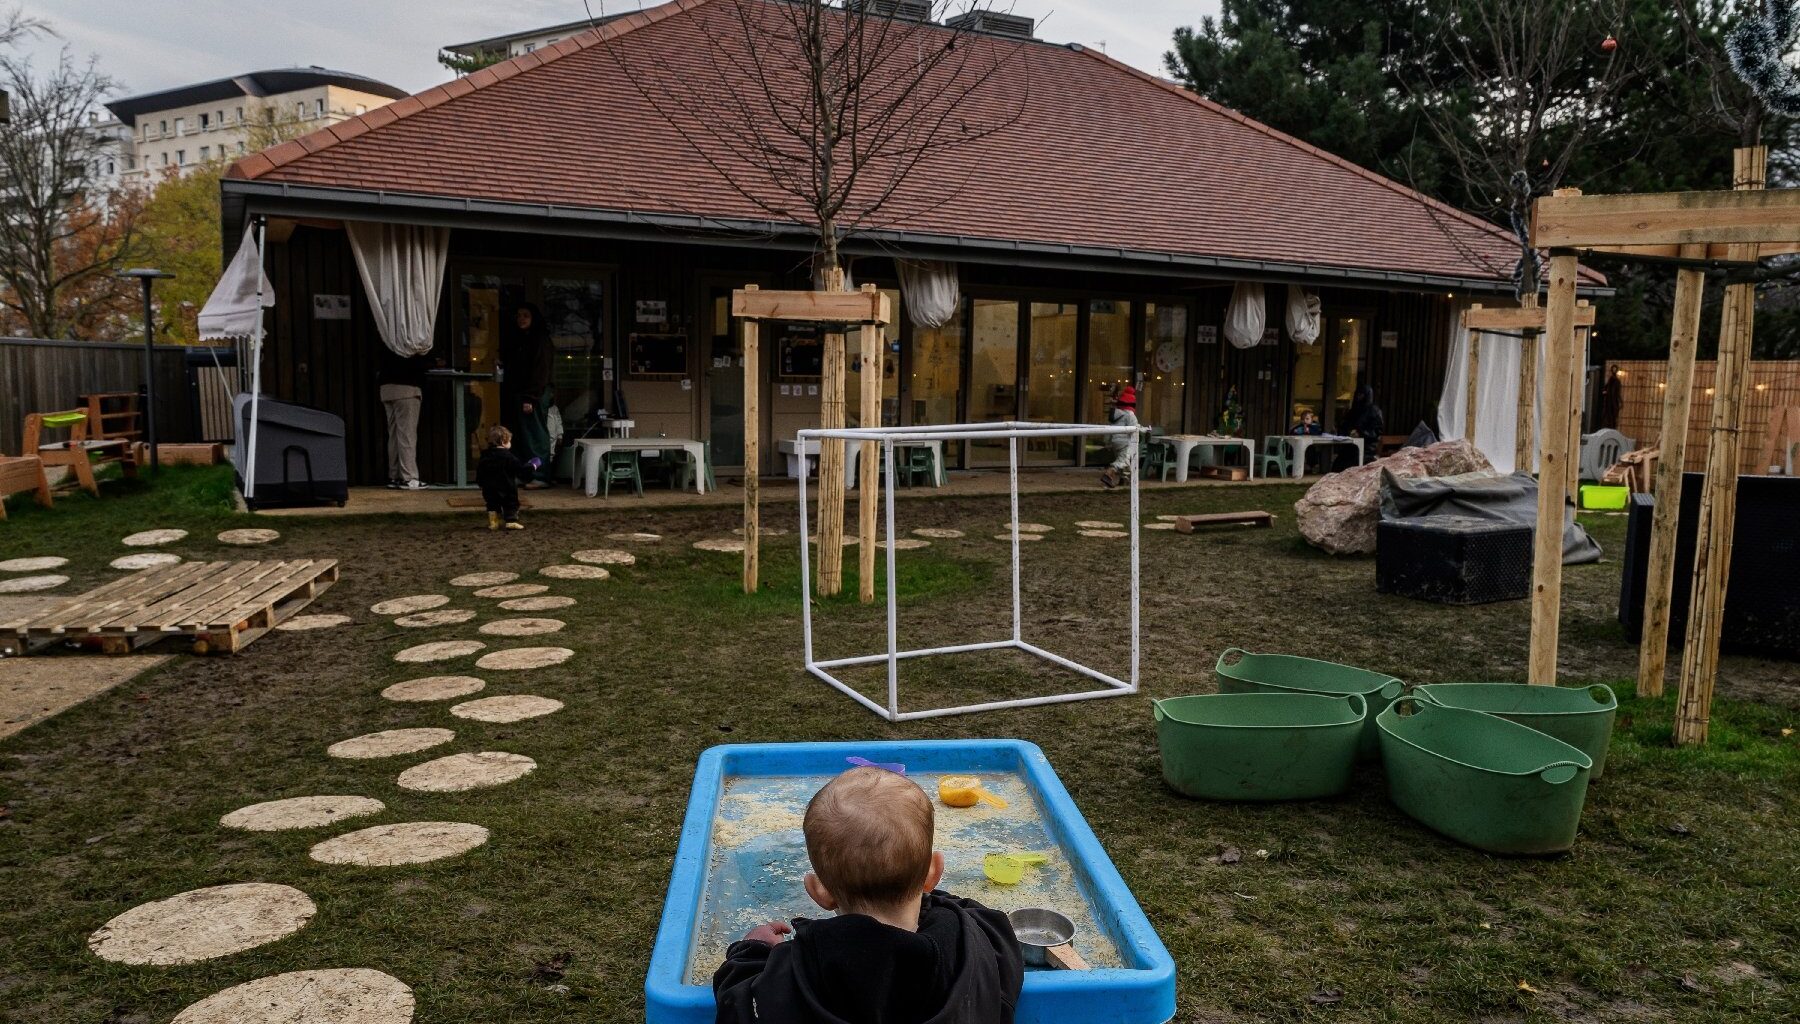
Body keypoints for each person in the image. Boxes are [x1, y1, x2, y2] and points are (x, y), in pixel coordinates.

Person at [713, 766, 1024, 1024]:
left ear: (819, 891)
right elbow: (992, 926)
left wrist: (751, 951)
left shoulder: (796, 971)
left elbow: (737, 1006)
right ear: (934, 873)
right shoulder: (977, 944)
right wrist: (927, 896)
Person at [503, 302, 556, 487]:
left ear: (534, 318)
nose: (521, 319)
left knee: (535, 436)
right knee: (520, 436)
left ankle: (539, 475)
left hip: (533, 394)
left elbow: (541, 371)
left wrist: (531, 397)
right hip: (520, 393)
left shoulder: (540, 340)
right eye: (518, 315)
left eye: (526, 315)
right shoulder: (520, 340)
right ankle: (525, 474)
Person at [377, 347, 435, 489]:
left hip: (386, 387)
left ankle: (394, 476)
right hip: (407, 388)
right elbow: (420, 364)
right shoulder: (411, 342)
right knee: (407, 434)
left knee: (394, 435)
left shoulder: (390, 337)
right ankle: (409, 478)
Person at [475, 425, 541, 531]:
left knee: (492, 504)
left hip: (489, 488)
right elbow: (520, 469)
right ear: (503, 441)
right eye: (509, 440)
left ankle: (493, 523)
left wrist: (480, 483)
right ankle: (511, 521)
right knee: (510, 503)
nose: (510, 443)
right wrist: (533, 465)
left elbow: (480, 471)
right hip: (506, 487)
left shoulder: (486, 455)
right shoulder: (509, 457)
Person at [1099, 384, 1139, 490]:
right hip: (1125, 441)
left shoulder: (1115, 414)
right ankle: (1109, 473)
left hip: (1114, 441)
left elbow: (1109, 429)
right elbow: (1134, 428)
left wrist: (1107, 442)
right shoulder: (1130, 415)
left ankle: (1124, 478)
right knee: (1123, 460)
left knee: (1123, 460)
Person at [1341, 384, 1385, 466]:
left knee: (1352, 461)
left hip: (1367, 448)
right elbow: (1345, 425)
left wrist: (1361, 433)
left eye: (1361, 395)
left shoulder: (1374, 411)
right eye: (1358, 394)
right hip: (1350, 445)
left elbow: (1377, 431)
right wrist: (1348, 432)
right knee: (1339, 463)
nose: (1359, 397)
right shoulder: (1353, 411)